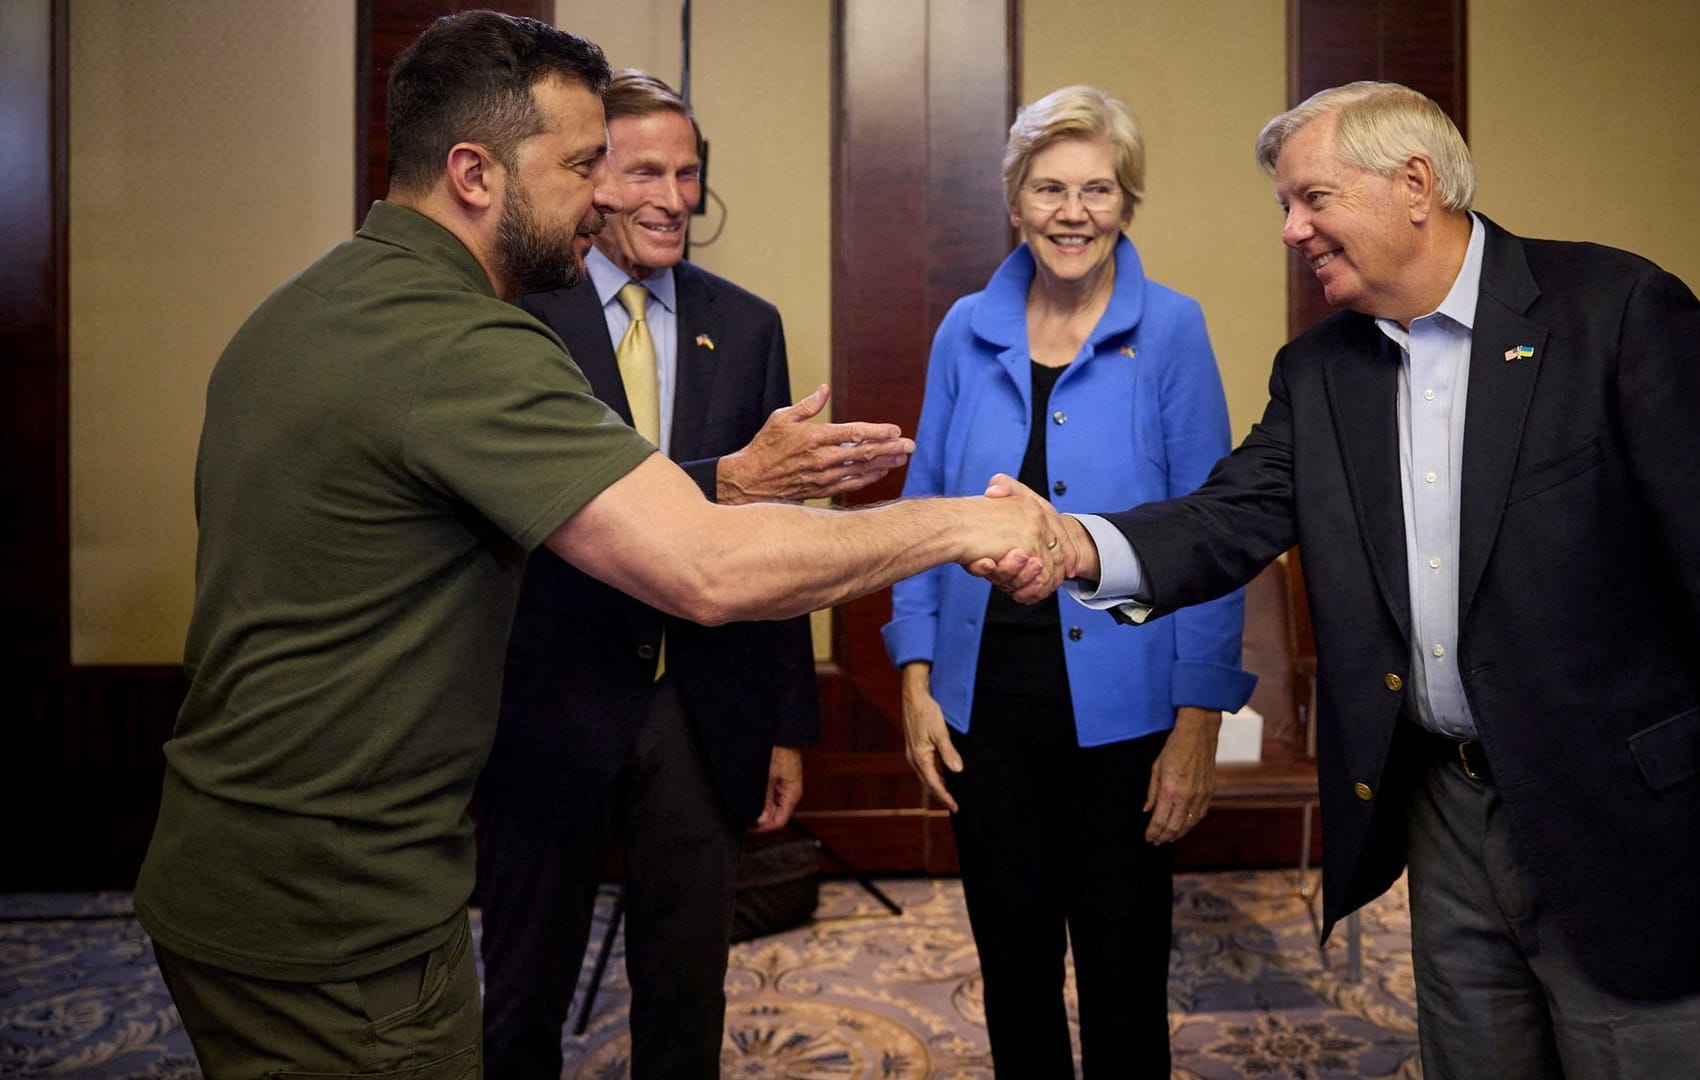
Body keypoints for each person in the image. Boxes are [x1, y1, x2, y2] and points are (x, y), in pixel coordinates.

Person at [131, 13, 1066, 1077]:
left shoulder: (309, 308)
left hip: (227, 869)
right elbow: (707, 570)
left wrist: (732, 479)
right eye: (583, 166)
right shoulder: (467, 344)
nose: (612, 196)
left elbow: (490, 496)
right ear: (477, 173)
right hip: (341, 916)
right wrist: (966, 520)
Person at [1006, 81, 1700, 1078]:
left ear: (1413, 183)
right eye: (1284, 205)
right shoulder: (1320, 373)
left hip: (1632, 823)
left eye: (1311, 198)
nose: (1291, 230)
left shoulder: (1613, 314)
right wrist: (1074, 547)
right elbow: (1226, 519)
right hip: (1447, 817)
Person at [474, 70, 906, 1079]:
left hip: (700, 701)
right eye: (642, 173)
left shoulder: (746, 325)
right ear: (588, 182)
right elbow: (543, 511)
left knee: (685, 988)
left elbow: (775, 535)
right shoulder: (516, 318)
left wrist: (784, 723)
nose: (673, 197)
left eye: (689, 173)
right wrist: (732, 478)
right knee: (521, 992)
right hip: (549, 695)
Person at [883, 85, 1255, 1078]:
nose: (1072, 211)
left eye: (1098, 189)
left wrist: (1197, 723)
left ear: (1127, 204)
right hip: (984, 706)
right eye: (1049, 187)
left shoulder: (1173, 330)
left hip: (1127, 719)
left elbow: (1212, 537)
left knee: (1125, 974)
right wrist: (915, 675)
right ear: (1015, 201)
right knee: (1013, 969)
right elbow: (923, 509)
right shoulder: (965, 327)